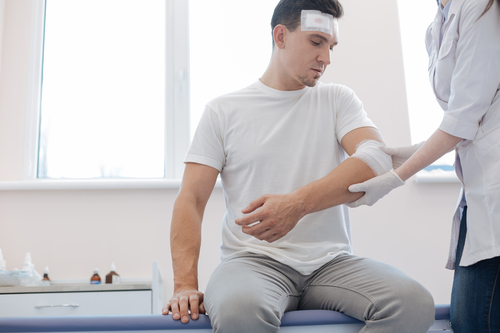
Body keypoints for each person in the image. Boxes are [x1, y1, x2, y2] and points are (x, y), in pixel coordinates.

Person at [162, 0, 435, 332]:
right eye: (317, 42)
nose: (327, 58)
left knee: (414, 304)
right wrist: (185, 284)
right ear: (280, 36)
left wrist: (297, 204)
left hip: (331, 264)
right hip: (251, 263)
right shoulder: (223, 111)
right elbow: (191, 199)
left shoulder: (337, 100)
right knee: (240, 312)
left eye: (331, 47)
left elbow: (375, 158)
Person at [347, 0, 500, 332]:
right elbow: (468, 118)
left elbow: (464, 118)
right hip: (477, 191)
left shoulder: (478, 6)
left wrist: (396, 177)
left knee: (475, 321)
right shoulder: (437, 23)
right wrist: (411, 152)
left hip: (494, 190)